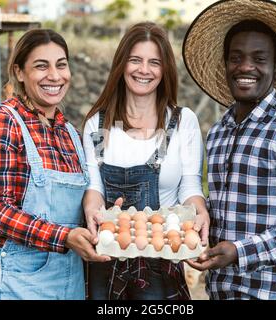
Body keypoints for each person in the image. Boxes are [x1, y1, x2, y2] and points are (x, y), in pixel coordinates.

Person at [183, 0, 276, 300]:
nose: (245, 67)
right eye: (235, 57)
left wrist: (240, 251)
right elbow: (226, 207)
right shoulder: (218, 134)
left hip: (273, 293)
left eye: (259, 58)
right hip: (222, 291)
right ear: (225, 64)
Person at [0, 29, 110, 300]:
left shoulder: (70, 134)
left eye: (61, 64)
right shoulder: (0, 121)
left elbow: (77, 208)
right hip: (15, 287)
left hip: (69, 286)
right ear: (19, 72)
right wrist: (64, 237)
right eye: (41, 66)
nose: (55, 76)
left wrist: (106, 219)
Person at [82, 22, 210, 300]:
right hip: (108, 260)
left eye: (155, 62)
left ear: (165, 71)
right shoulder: (98, 124)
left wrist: (199, 212)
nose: (144, 70)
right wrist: (93, 210)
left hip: (161, 260)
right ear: (121, 64)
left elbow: (190, 186)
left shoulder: (182, 122)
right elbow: (94, 188)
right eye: (135, 60)